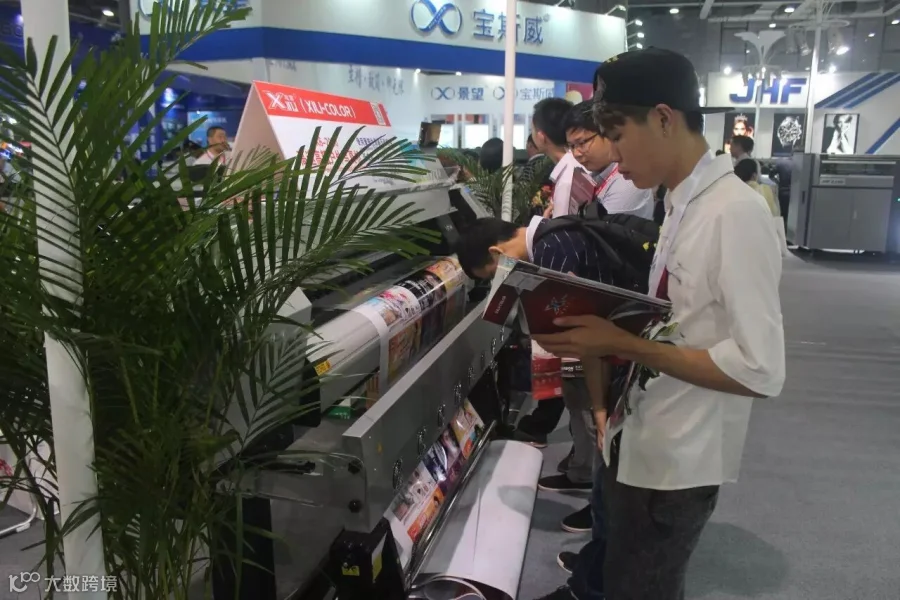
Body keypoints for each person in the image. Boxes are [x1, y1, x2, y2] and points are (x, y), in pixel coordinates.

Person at [533, 47, 785, 600]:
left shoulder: (734, 212)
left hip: (680, 455)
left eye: (618, 136)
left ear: (664, 119)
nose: (613, 156)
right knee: (622, 572)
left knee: (644, 586)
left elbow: (760, 369)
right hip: (642, 427)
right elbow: (673, 320)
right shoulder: (680, 203)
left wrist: (623, 344)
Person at [564, 102, 654, 219]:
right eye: (571, 146)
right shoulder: (595, 173)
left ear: (606, 134)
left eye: (582, 143)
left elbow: (597, 230)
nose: (576, 153)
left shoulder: (629, 181)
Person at [532, 97, 580, 218]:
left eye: (532, 129)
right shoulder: (574, 164)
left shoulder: (567, 181)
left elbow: (562, 226)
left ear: (541, 137)